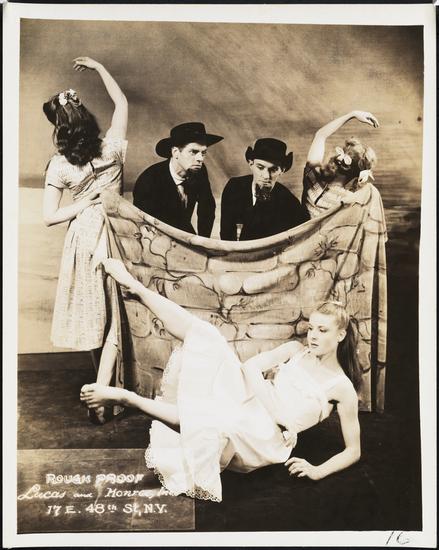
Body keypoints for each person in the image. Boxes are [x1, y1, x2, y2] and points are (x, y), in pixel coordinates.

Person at [80, 259, 362, 502]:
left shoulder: (342, 388)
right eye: (311, 328)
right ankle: (138, 289)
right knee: (208, 337)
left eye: (322, 330)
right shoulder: (296, 350)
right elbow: (250, 367)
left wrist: (317, 470)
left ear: (340, 335)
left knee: (219, 422)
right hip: (256, 400)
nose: (313, 336)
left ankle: (127, 398)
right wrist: (276, 411)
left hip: (268, 435)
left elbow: (353, 451)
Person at [43, 57, 128, 424]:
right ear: (86, 117)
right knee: (118, 316)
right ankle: (107, 390)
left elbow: (49, 217)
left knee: (97, 317)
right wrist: (99, 67)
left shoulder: (59, 164)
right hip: (118, 233)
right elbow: (122, 102)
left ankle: (102, 391)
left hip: (85, 238)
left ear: (58, 129)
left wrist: (83, 203)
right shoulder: (112, 148)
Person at [133, 122, 223, 237]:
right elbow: (144, 225)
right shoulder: (149, 180)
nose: (200, 158)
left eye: (203, 153)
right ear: (175, 152)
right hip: (156, 237)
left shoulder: (199, 171)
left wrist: (203, 240)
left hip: (183, 233)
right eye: (194, 152)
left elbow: (207, 207)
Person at [220, 138, 309, 241]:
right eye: (260, 167)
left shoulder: (290, 204)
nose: (266, 176)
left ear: (282, 170)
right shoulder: (234, 188)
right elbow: (226, 236)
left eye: (273, 169)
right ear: (251, 164)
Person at [303, 110, 379, 218]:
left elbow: (320, 135)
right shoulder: (350, 201)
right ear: (357, 175)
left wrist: (352, 114)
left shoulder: (312, 179)